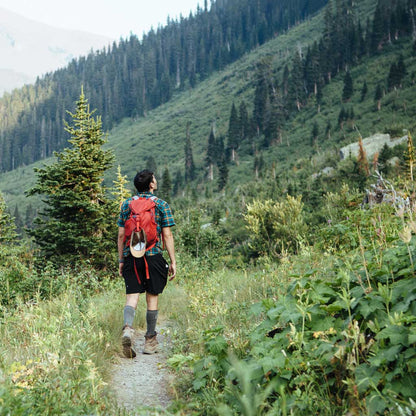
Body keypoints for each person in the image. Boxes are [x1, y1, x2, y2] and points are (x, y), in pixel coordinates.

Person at [117, 169, 176, 358]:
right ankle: (150, 341)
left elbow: (120, 235)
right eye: (154, 179)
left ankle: (127, 329)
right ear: (151, 184)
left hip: (131, 257)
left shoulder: (126, 205)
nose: (156, 181)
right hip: (153, 256)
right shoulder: (161, 205)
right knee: (152, 297)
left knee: (132, 297)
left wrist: (121, 259)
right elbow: (167, 235)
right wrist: (173, 261)